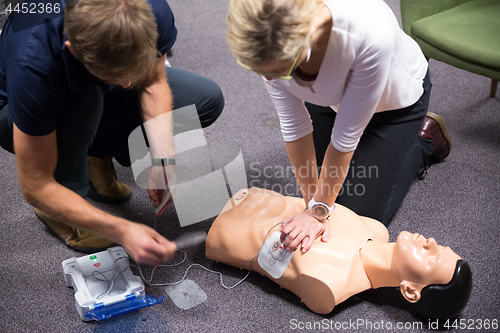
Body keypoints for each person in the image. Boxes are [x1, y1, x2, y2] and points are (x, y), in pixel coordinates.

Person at [0, 0, 224, 265]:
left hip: (81, 80)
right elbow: (36, 185)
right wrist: (121, 229)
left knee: (206, 99)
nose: (129, 82)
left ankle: (94, 152)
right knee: (86, 102)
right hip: (16, 112)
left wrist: (164, 158)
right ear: (73, 49)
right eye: (115, 73)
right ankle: (62, 203)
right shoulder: (34, 64)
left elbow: (152, 81)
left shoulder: (152, 11)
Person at [226, 0, 452, 254]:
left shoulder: (369, 32)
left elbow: (344, 140)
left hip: (393, 106)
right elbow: (294, 125)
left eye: (279, 70)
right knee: (331, 201)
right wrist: (314, 206)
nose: (269, 78)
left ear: (308, 35)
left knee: (360, 219)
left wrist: (317, 213)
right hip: (327, 99)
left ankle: (424, 138)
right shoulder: (267, 35)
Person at [206, 188, 472, 319]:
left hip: (219, 226)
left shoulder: (331, 286)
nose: (432, 242)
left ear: (410, 291)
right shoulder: (375, 229)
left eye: (433, 257)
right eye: (441, 246)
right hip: (250, 193)